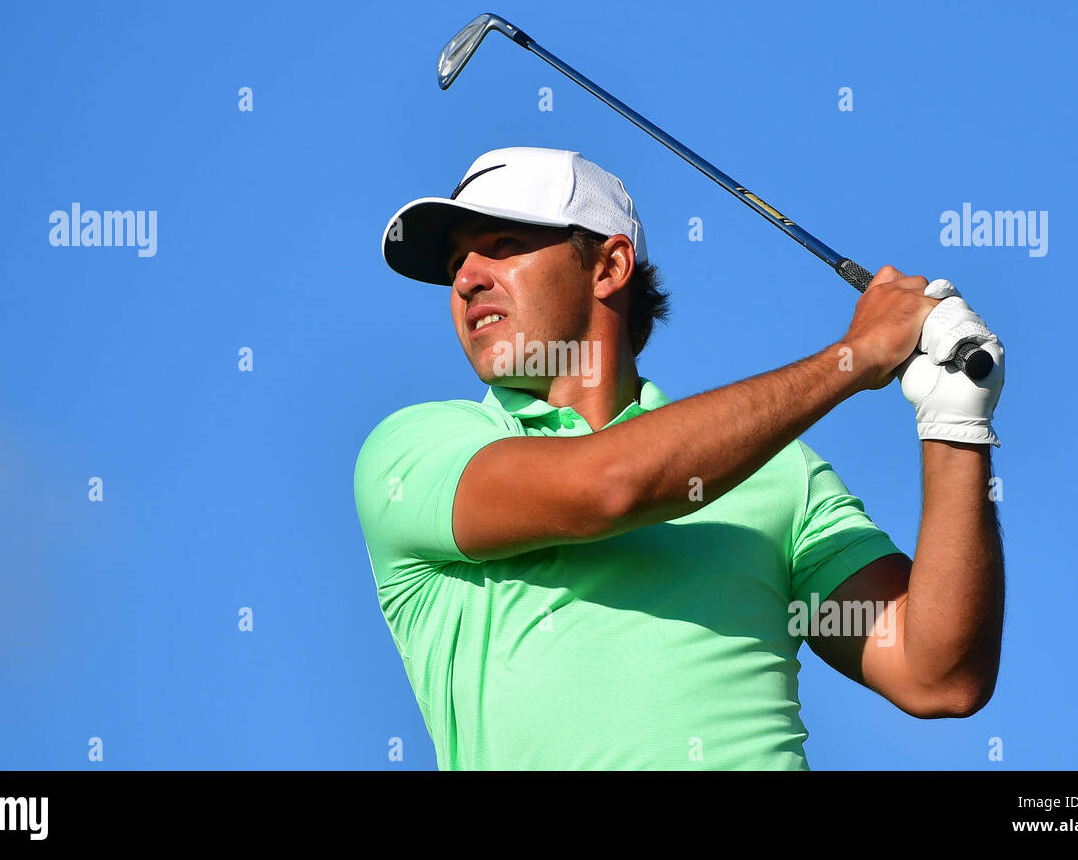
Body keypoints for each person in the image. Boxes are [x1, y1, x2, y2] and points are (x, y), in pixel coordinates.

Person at [353, 146, 1005, 770]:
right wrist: (856, 356)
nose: (466, 280)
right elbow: (606, 486)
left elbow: (940, 676)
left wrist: (956, 422)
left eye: (503, 247)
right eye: (455, 264)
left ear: (609, 266)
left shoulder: (777, 471)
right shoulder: (416, 450)